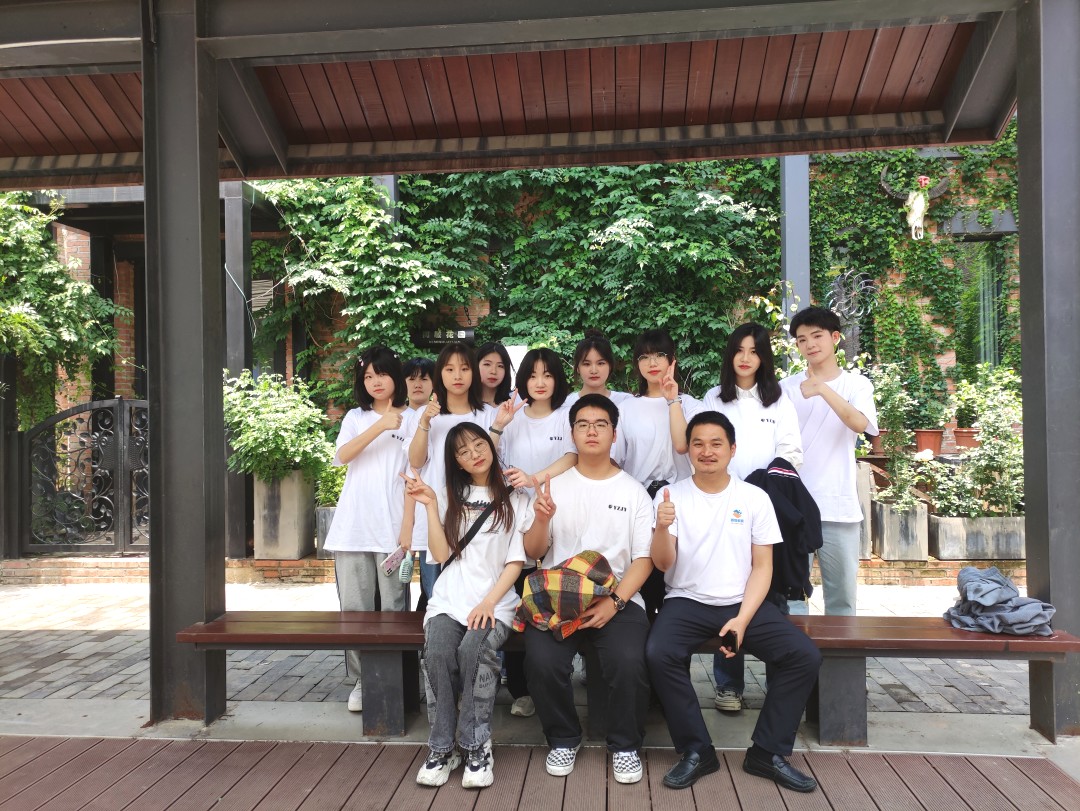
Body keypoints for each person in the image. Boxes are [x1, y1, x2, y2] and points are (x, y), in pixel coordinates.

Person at [646, 411, 821, 793]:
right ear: (688, 450)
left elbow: (763, 567)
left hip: (744, 602)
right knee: (659, 653)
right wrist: (662, 527)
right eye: (698, 443)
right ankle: (696, 749)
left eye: (716, 443)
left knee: (803, 655)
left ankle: (767, 753)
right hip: (686, 600)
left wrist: (741, 620)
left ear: (732, 449)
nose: (706, 451)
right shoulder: (671, 496)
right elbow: (662, 564)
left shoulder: (754, 497)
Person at [522, 394, 653, 784]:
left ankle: (625, 744)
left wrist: (615, 602)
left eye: (600, 424)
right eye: (583, 424)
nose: (591, 431)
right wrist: (541, 520)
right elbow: (534, 552)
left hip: (619, 597)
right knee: (541, 661)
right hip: (557, 597)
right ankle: (563, 737)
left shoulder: (633, 492)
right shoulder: (553, 487)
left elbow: (643, 559)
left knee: (629, 661)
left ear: (614, 433)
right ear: (572, 433)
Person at [405, 423, 532, 789]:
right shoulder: (450, 496)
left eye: (478, 444)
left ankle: (476, 745)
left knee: (474, 652)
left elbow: (515, 562)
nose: (474, 454)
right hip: (449, 600)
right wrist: (431, 506)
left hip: (496, 602)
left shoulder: (515, 496)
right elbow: (441, 554)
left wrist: (489, 602)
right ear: (456, 462)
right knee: (438, 652)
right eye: (463, 451)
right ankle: (442, 747)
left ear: (491, 446)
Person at [702, 322, 803, 712]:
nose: (746, 358)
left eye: (754, 351)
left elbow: (791, 452)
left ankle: (780, 680)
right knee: (727, 593)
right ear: (730, 355)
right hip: (723, 506)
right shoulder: (714, 397)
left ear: (764, 358)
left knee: (771, 591)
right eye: (739, 350)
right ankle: (729, 684)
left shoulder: (778, 401)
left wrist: (763, 485)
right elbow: (704, 447)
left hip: (767, 507)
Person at [323, 346, 415, 714]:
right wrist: (380, 425)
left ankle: (393, 678)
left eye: (382, 374)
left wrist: (408, 529)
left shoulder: (413, 418)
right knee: (354, 611)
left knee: (394, 609)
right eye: (368, 377)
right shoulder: (355, 417)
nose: (376, 382)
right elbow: (341, 456)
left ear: (396, 376)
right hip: (352, 529)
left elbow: (415, 475)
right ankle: (362, 680)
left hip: (392, 530)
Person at [780, 307, 878, 616]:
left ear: (835, 338)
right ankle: (796, 649)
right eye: (801, 339)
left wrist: (822, 389)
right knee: (792, 598)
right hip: (794, 505)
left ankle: (839, 652)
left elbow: (859, 424)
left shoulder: (857, 385)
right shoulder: (785, 389)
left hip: (838, 506)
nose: (810, 344)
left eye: (817, 336)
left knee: (842, 600)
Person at [495, 347, 576, 719]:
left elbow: (572, 457)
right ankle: (521, 688)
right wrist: (499, 425)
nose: (540, 382)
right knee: (519, 600)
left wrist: (534, 478)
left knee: (556, 598)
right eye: (532, 375)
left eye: (547, 374)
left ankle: (559, 678)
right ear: (522, 380)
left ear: (557, 379)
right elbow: (487, 456)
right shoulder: (512, 417)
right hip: (516, 521)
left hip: (558, 517)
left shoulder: (565, 416)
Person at [406, 343, 507, 602]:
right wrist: (425, 422)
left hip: (478, 519)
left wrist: (496, 427)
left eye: (464, 368)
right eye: (449, 369)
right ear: (440, 373)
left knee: (478, 596)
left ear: (474, 372)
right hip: (434, 517)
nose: (458, 376)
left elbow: (490, 461)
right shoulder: (425, 414)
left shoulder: (488, 414)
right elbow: (415, 461)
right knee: (436, 598)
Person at [616, 328, 701, 620]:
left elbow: (682, 445)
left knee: (676, 575)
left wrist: (672, 400)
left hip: (680, 498)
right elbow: (617, 460)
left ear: (672, 360)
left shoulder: (690, 405)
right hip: (638, 500)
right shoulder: (626, 408)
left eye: (659, 355)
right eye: (644, 357)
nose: (652, 363)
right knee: (643, 572)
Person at [564, 329, 633, 408]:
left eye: (600, 363)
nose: (594, 371)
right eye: (586, 364)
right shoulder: (566, 405)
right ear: (577, 368)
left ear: (610, 366)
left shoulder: (626, 402)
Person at [476, 341, 514, 406]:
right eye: (487, 364)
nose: (493, 371)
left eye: (500, 366)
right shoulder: (464, 401)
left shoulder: (515, 401)